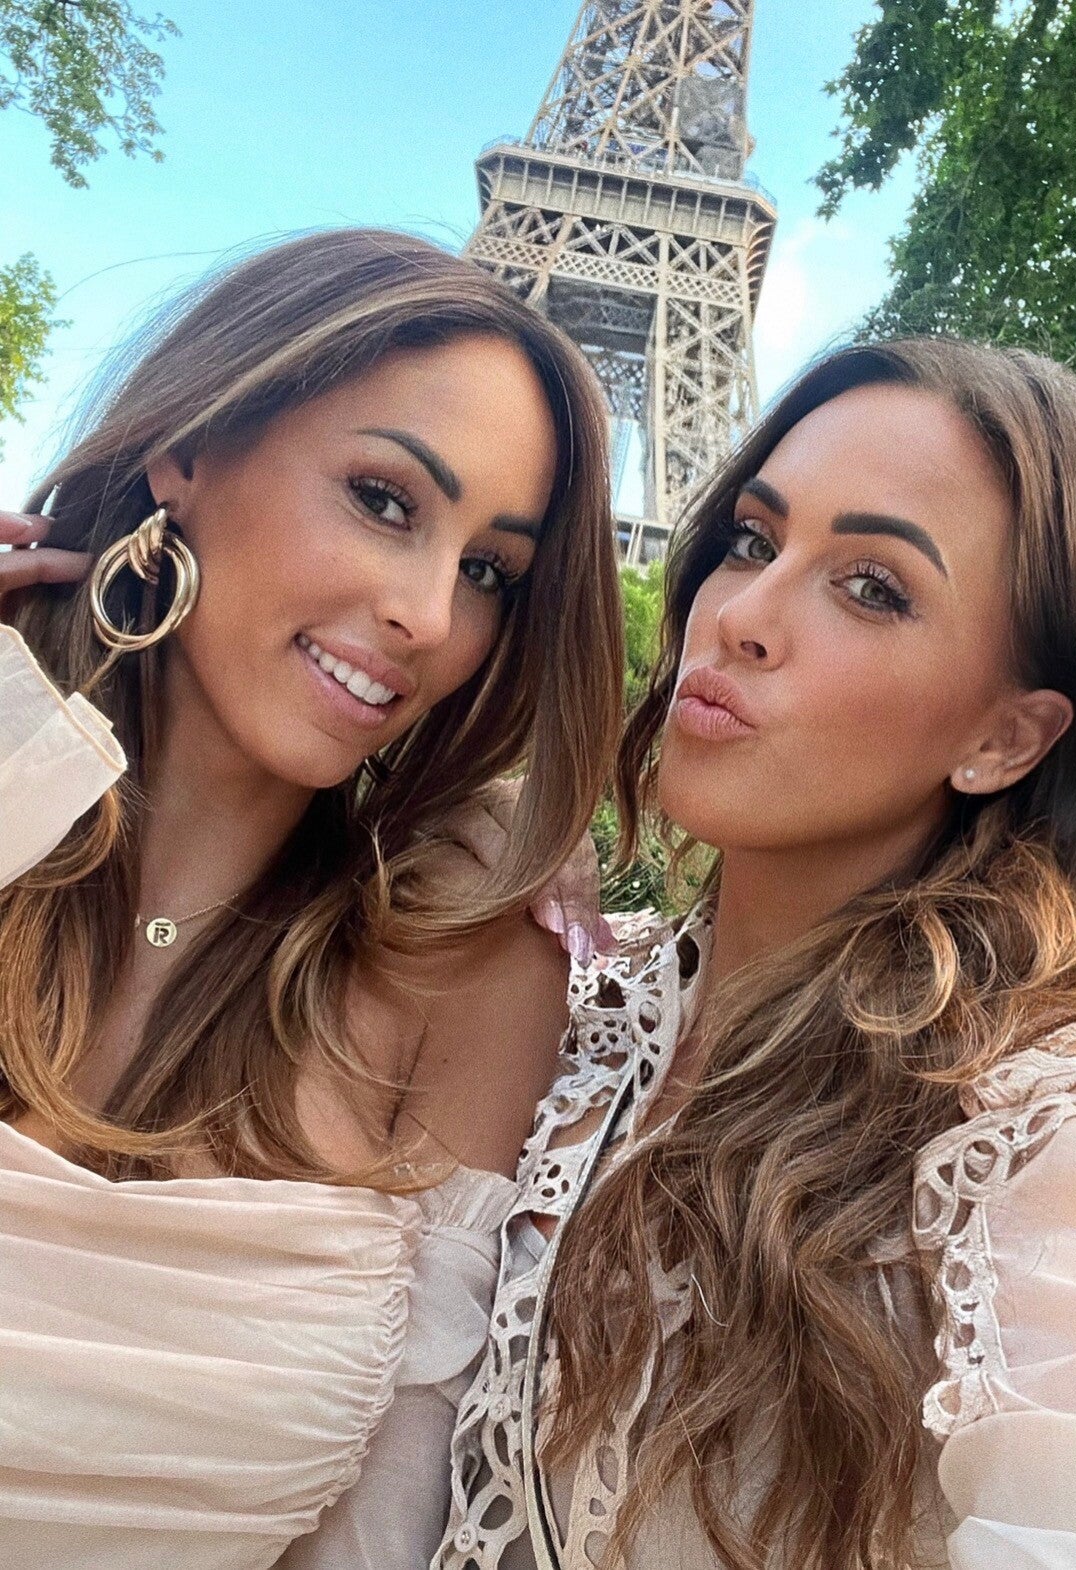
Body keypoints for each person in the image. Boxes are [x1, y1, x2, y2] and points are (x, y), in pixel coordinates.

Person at [438, 338, 1076, 1570]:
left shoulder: (1057, 1137)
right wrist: (456, 831)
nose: (739, 617)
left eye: (873, 588)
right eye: (752, 541)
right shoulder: (562, 1008)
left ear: (1006, 739)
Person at [0, 226, 624, 1568]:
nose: (429, 618)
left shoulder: (467, 968)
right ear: (190, 450)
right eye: (386, 500)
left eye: (489, 572)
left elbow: (386, 1523)